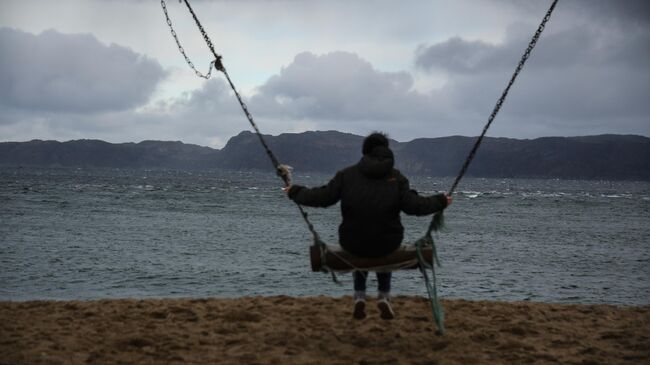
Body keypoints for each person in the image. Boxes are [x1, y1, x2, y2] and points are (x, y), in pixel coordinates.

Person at [285, 132, 451, 320]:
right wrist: (441, 201)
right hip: (388, 243)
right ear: (386, 151)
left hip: (352, 243)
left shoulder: (346, 175)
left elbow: (323, 197)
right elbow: (415, 206)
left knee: (360, 242)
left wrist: (295, 192)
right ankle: (383, 296)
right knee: (383, 242)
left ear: (365, 152)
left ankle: (359, 297)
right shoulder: (397, 178)